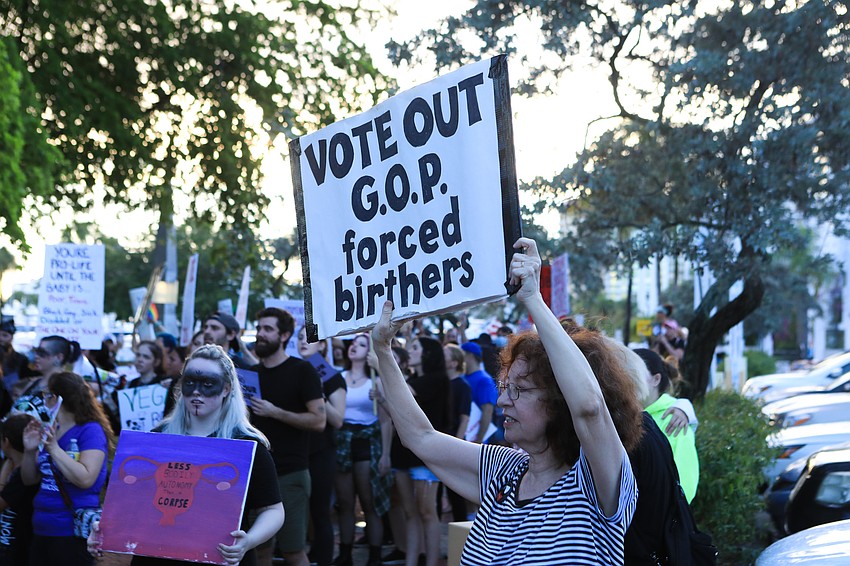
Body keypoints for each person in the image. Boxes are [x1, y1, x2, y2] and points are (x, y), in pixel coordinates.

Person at [371, 237, 644, 565]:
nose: (502, 401)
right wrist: (383, 351)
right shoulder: (502, 471)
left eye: (521, 389)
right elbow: (420, 438)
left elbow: (589, 407)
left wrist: (532, 299)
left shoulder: (595, 483)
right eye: (504, 386)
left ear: (560, 400)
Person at [89, 344, 285, 565]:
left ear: (226, 389)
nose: (197, 392)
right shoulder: (157, 438)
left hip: (220, 557)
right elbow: (129, 503)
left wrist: (248, 541)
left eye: (208, 383)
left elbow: (273, 510)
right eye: (190, 382)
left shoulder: (246, 444)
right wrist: (104, 531)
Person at [250, 307, 325, 566]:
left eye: (267, 329)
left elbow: (319, 420)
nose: (260, 334)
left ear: (284, 336)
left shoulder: (302, 370)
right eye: (259, 328)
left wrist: (275, 412)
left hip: (290, 474)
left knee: (293, 552)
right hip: (253, 474)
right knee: (258, 551)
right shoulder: (249, 374)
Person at [21, 371, 113, 565]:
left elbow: (86, 478)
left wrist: (54, 448)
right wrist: (29, 452)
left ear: (56, 398)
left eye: (46, 394)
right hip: (41, 527)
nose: (43, 400)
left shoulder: (90, 430)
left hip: (70, 530)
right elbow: (29, 480)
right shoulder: (52, 428)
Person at [333, 333, 392, 566]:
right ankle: (345, 554)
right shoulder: (339, 377)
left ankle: (374, 556)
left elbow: (386, 420)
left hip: (368, 443)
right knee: (345, 502)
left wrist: (386, 454)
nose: (354, 347)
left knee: (369, 503)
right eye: (353, 343)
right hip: (343, 442)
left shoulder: (375, 380)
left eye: (361, 344)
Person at [390, 334, 449, 566]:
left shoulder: (436, 379)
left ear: (427, 354)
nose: (410, 351)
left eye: (414, 347)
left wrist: (383, 363)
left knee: (426, 512)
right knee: (409, 512)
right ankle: (411, 561)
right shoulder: (414, 379)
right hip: (403, 452)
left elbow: (402, 395)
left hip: (427, 455)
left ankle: (432, 561)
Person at [296, 327, 346, 566]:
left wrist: (317, 394)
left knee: (320, 512)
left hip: (322, 451)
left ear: (323, 345)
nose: (302, 342)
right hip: (298, 450)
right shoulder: (294, 371)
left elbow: (337, 420)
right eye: (298, 337)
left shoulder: (333, 377)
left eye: (309, 338)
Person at [633, 349, 700, 502]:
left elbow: (685, 485)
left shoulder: (675, 419)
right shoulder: (623, 415)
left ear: (656, 379)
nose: (627, 378)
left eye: (635, 372)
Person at [0, 413, 40, 564]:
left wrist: (5, 468)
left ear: (6, 442)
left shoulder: (20, 476)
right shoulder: (28, 470)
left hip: (15, 547)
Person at [441, 344, 472, 522]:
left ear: (453, 363)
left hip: (454, 442)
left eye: (444, 354)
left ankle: (460, 533)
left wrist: (457, 443)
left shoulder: (462, 386)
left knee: (456, 494)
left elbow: (465, 418)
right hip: (442, 442)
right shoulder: (442, 384)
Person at [459, 342, 498, 445]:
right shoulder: (463, 377)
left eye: (461, 354)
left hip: (474, 439)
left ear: (470, 355)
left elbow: (487, 411)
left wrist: (479, 439)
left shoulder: (484, 380)